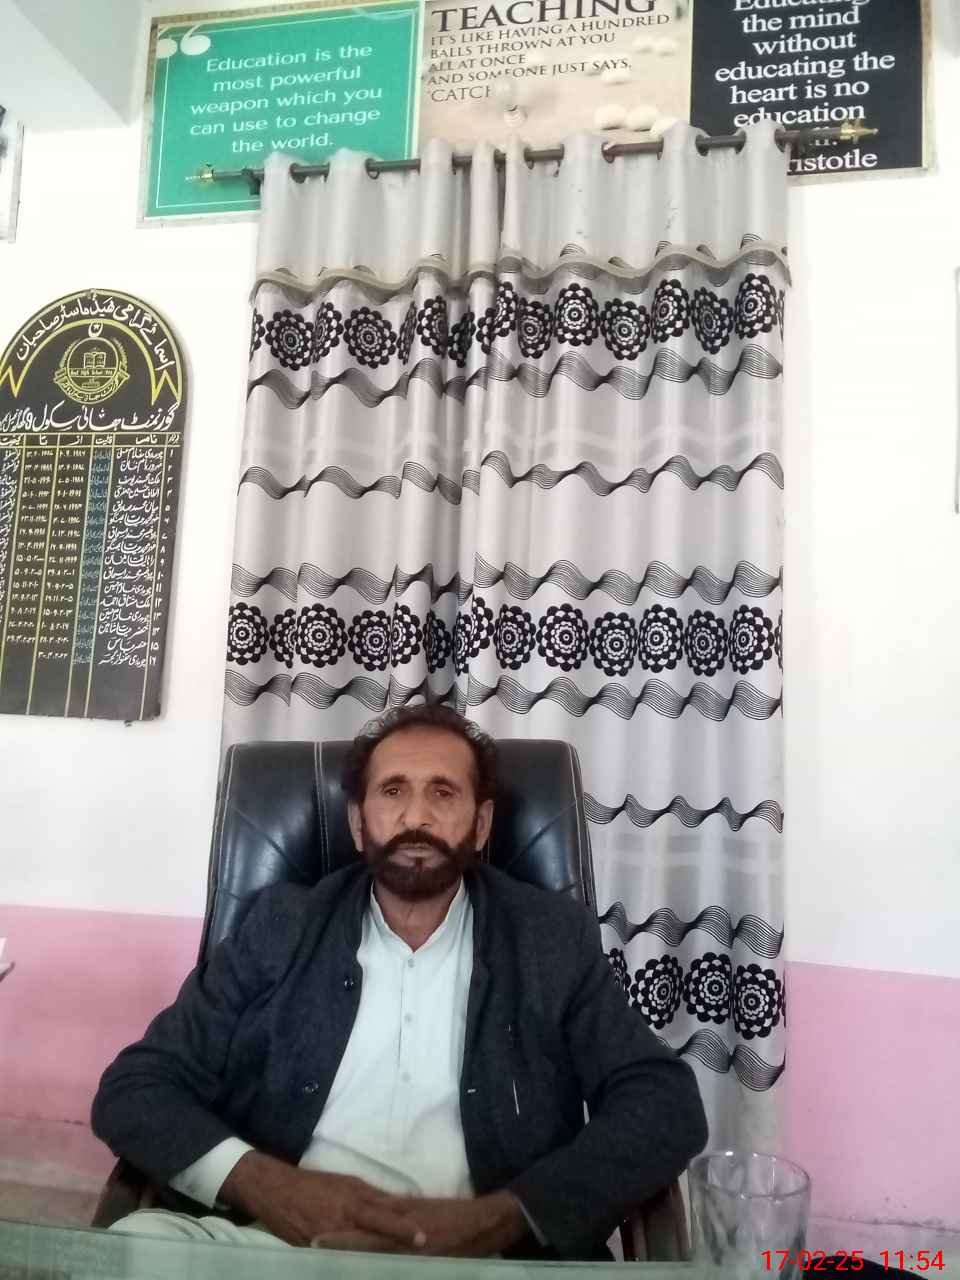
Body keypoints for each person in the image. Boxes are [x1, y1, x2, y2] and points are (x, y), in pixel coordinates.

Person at [92, 706, 707, 1259]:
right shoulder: (280, 925)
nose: (417, 817)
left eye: (443, 792)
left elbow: (664, 1105)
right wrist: (273, 1189)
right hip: (275, 1245)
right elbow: (135, 1089)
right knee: (132, 1250)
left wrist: (500, 1218)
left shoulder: (548, 938)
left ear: (482, 823)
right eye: (393, 791)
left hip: (485, 1259)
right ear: (358, 822)